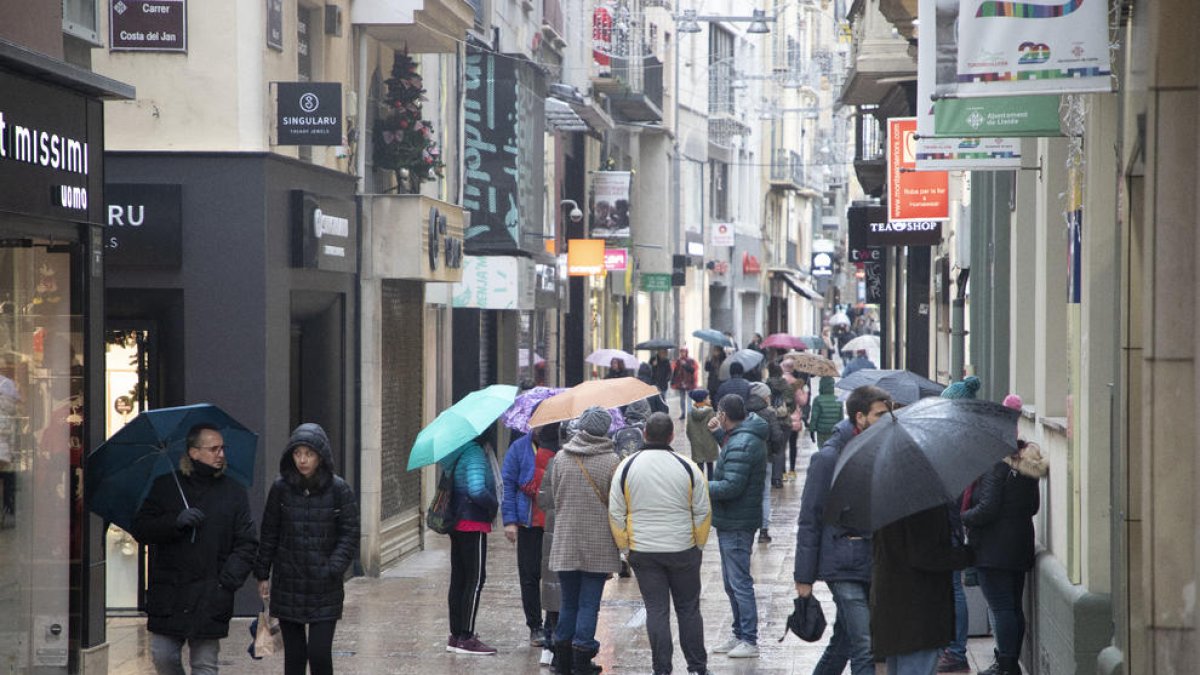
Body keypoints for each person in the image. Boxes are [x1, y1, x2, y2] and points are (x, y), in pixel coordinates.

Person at [131, 423, 258, 675]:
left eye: (222, 448)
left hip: (211, 593)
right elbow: (142, 528)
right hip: (170, 594)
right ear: (194, 452)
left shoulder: (233, 491)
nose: (221, 454)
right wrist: (175, 522)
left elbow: (247, 543)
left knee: (204, 665)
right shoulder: (166, 486)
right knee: (163, 656)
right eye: (213, 449)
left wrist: (226, 582)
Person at [794, 385, 893, 675]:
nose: (887, 420)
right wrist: (804, 577)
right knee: (865, 643)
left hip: (872, 559)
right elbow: (810, 517)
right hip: (841, 562)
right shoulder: (829, 458)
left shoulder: (883, 450)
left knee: (845, 639)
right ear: (860, 417)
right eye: (880, 414)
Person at [609, 412, 712, 675]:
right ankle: (697, 667)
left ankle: (662, 669)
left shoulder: (627, 467)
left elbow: (616, 513)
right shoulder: (688, 467)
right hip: (683, 548)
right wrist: (698, 544)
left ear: (644, 433)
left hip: (643, 551)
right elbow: (703, 511)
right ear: (671, 436)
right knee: (689, 609)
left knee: (656, 610)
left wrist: (625, 548)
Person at [254, 423, 359, 675]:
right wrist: (262, 573)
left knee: (319, 654)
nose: (302, 460)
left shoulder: (339, 489)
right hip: (288, 584)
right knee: (295, 657)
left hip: (325, 586)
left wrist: (333, 567)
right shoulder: (281, 488)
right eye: (297, 453)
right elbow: (269, 532)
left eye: (309, 454)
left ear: (320, 456)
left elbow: (350, 533)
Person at [962, 394, 1047, 675]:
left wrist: (962, 517)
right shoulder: (1024, 463)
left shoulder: (995, 465)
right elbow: (1033, 506)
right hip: (1019, 544)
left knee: (1001, 608)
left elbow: (987, 508)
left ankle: (1006, 664)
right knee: (1012, 607)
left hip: (993, 549)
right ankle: (1010, 662)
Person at [540, 407, 621, 674]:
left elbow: (553, 498)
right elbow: (616, 504)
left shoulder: (561, 458)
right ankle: (582, 657)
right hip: (598, 544)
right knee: (589, 603)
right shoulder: (612, 461)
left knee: (568, 602)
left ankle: (562, 659)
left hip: (566, 541)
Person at [871, 505, 974, 675]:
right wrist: (966, 555)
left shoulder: (886, 503)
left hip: (893, 603)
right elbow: (926, 554)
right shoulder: (924, 505)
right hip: (918, 609)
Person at [706, 395, 768, 659]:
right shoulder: (741, 437)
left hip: (737, 522)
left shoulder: (744, 442)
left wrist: (699, 485)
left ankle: (749, 639)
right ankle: (739, 633)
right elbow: (734, 455)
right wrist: (718, 435)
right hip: (732, 520)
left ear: (723, 414)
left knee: (739, 583)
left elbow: (731, 486)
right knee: (731, 583)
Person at [936, 377, 982, 673]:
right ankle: (951, 647)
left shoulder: (962, 443)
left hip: (951, 524)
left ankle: (955, 650)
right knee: (949, 588)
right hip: (949, 523)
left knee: (953, 588)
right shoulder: (960, 439)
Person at [502, 421, 562, 647]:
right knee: (529, 577)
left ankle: (551, 624)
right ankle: (535, 626)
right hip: (529, 523)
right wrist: (509, 521)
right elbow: (507, 484)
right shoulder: (519, 448)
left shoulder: (563, 447)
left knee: (554, 577)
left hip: (555, 524)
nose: (539, 428)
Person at [441, 432, 500, 655]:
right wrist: (493, 503)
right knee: (475, 579)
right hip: (473, 523)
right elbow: (476, 490)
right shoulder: (474, 453)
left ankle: (455, 635)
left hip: (457, 523)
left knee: (459, 578)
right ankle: (466, 637)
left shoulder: (457, 452)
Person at [745, 382, 786, 543]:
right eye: (768, 395)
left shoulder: (744, 411)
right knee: (765, 495)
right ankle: (763, 531)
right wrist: (773, 452)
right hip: (765, 458)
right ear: (763, 397)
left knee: (747, 494)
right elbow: (777, 437)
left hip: (746, 458)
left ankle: (748, 530)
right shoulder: (769, 414)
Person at [686, 390, 720, 479]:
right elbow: (715, 427)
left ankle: (701, 483)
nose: (710, 400)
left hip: (696, 444)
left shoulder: (690, 413)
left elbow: (688, 430)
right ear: (703, 400)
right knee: (710, 466)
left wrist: (693, 440)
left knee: (699, 467)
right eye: (708, 398)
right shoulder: (711, 412)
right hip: (710, 443)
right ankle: (710, 483)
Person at [808, 376, 844, 446]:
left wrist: (812, 430)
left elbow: (814, 417)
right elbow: (841, 418)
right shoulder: (839, 400)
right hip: (834, 431)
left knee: (822, 448)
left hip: (821, 432)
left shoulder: (818, 400)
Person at [671, 347, 699, 419]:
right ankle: (683, 413)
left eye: (683, 352)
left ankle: (689, 414)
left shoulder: (691, 360)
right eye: (681, 352)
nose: (682, 353)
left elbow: (693, 370)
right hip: (681, 383)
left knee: (689, 399)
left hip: (689, 383)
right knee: (682, 399)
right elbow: (675, 372)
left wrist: (685, 365)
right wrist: (673, 381)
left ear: (686, 352)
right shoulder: (678, 361)